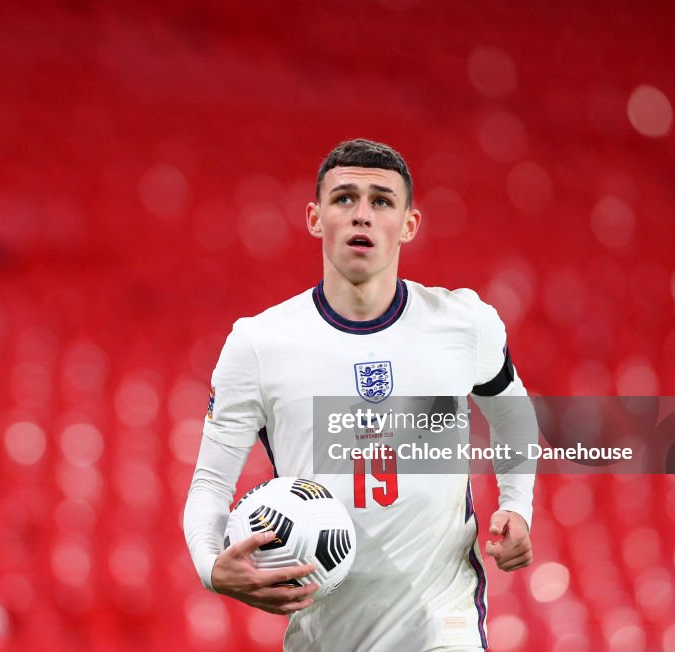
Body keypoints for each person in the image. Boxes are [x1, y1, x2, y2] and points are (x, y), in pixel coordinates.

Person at [183, 139, 538, 651]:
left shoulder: (465, 324)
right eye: (344, 198)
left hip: (442, 627)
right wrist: (211, 569)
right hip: (325, 634)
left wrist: (518, 505)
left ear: (409, 224)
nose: (362, 216)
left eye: (382, 201)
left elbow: (513, 415)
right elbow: (211, 483)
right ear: (315, 217)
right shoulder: (258, 344)